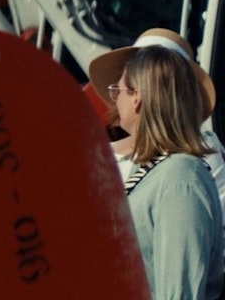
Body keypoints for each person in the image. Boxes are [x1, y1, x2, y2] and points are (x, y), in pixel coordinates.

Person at [89, 38, 224, 299]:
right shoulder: (160, 171)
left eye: (119, 90)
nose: (115, 99)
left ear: (137, 98)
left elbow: (179, 293)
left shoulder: (181, 179)